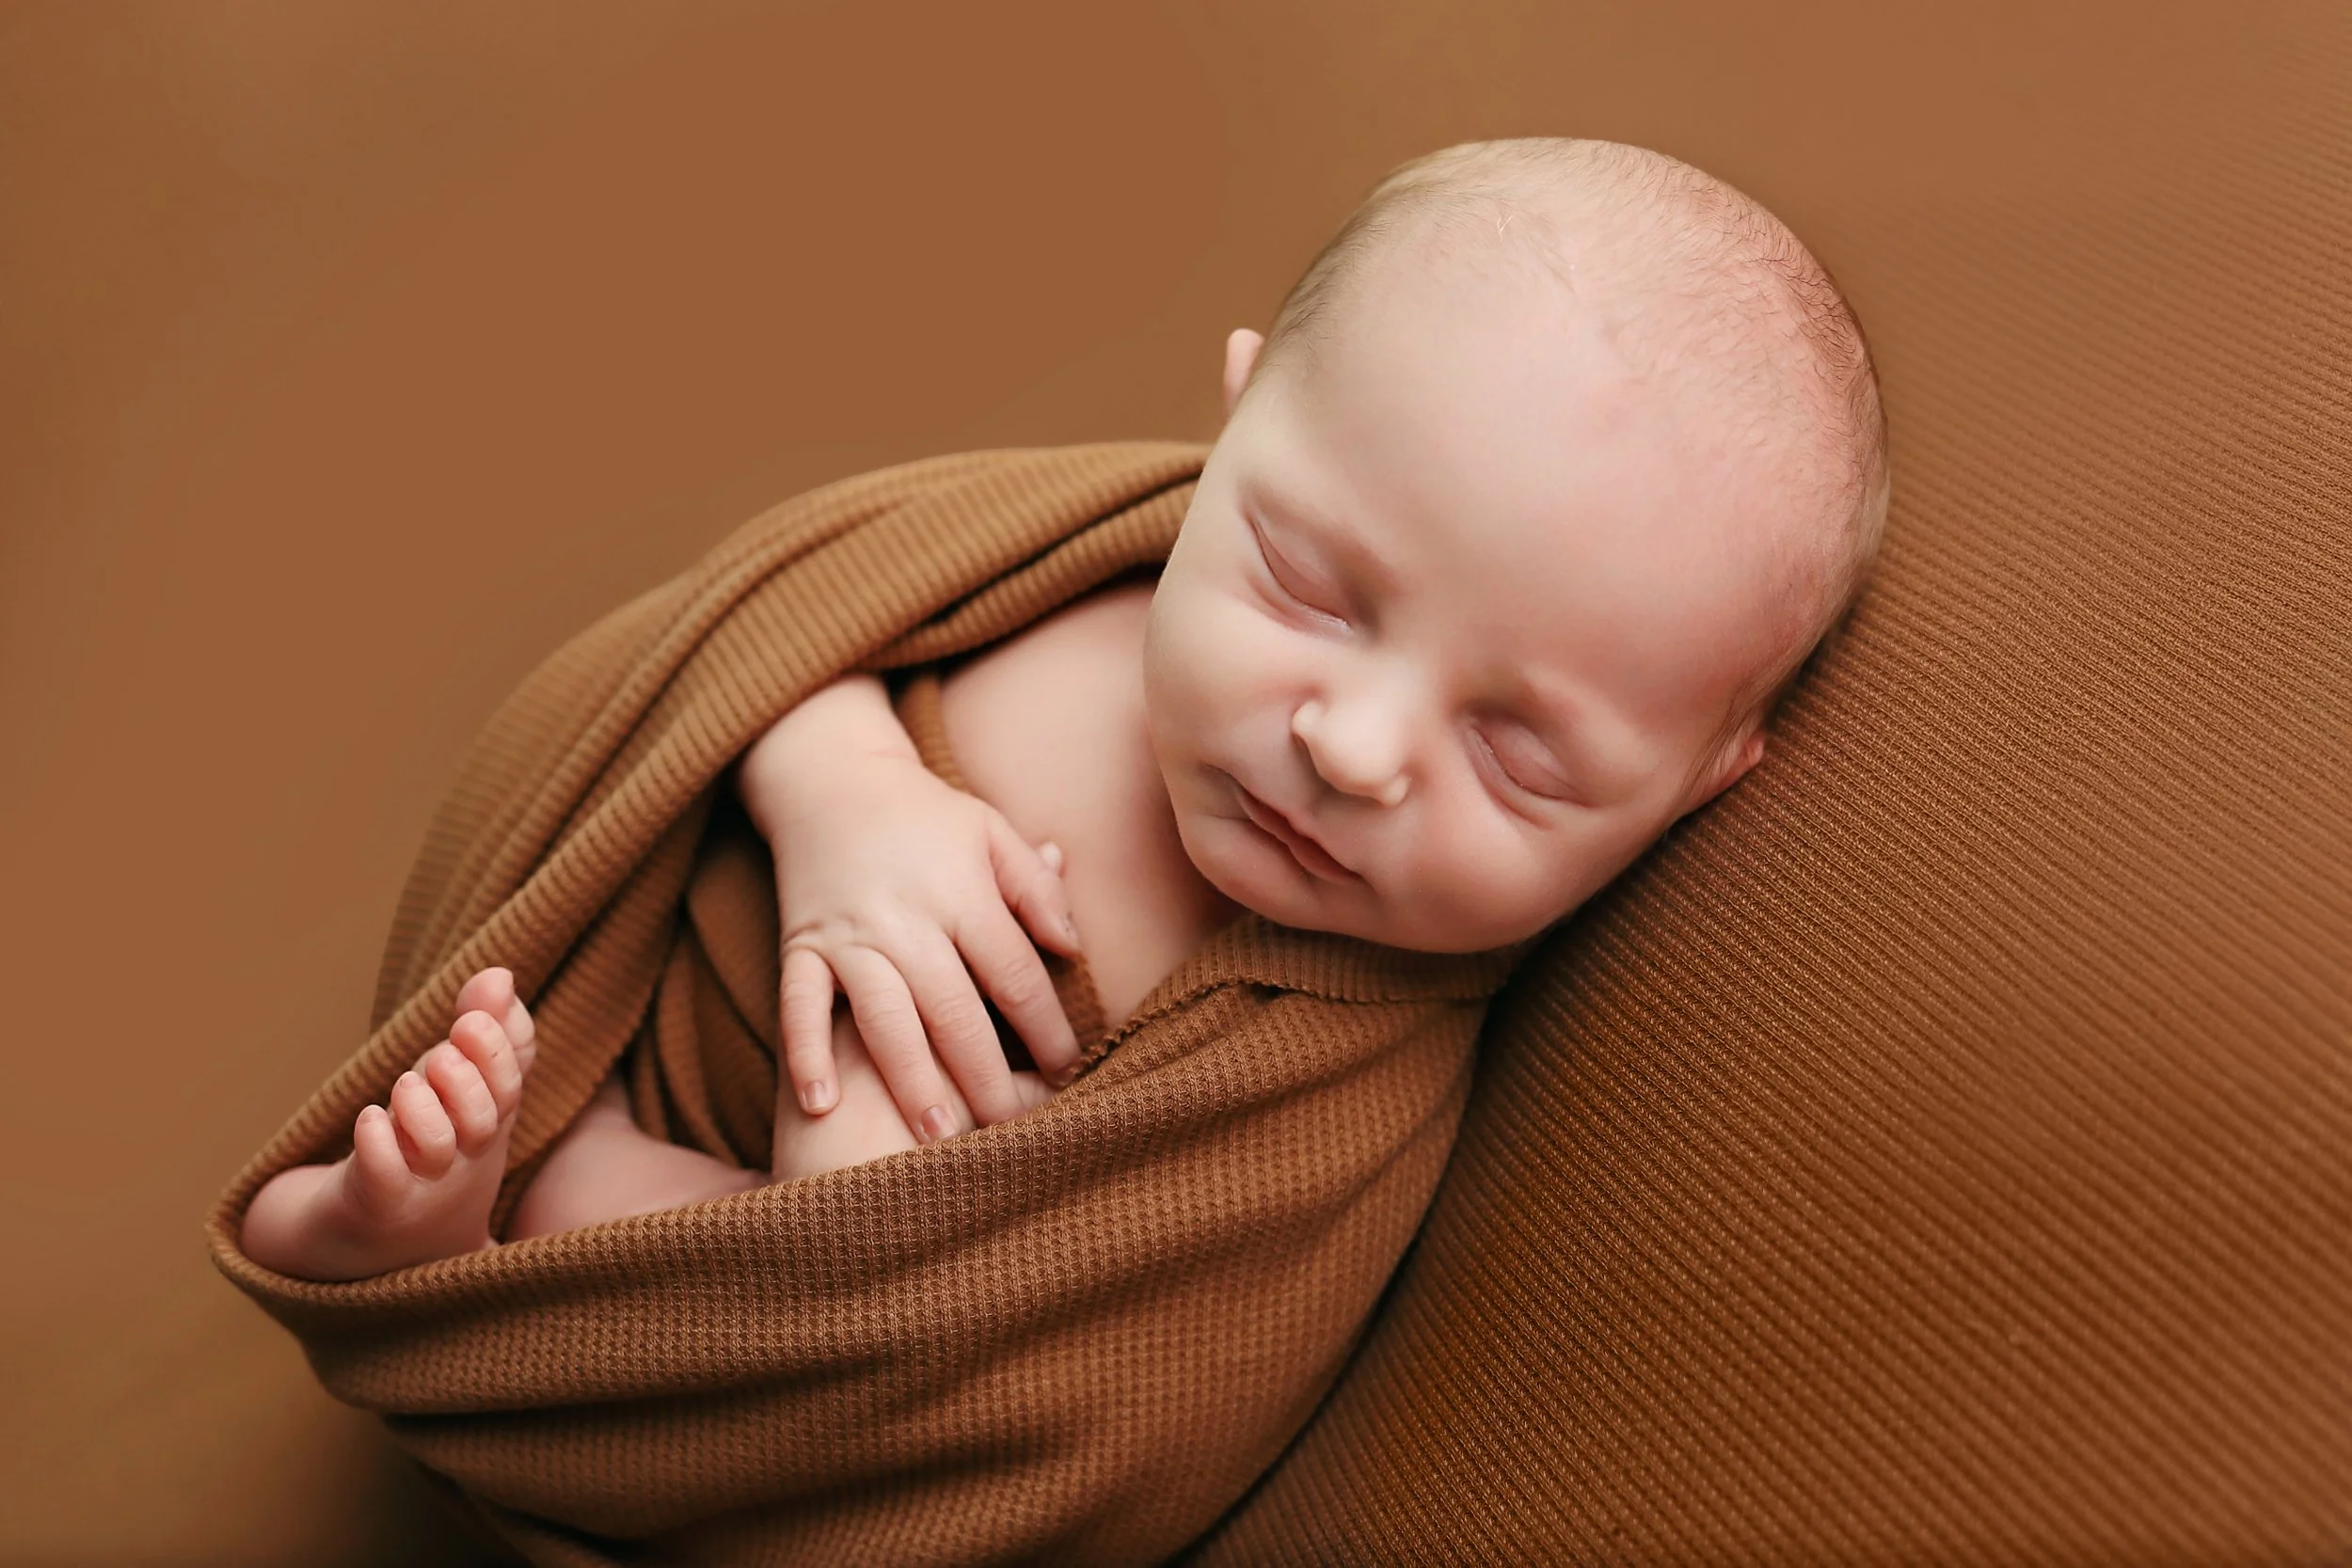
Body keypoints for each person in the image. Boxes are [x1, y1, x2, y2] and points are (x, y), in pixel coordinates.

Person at [239, 136, 1888, 1282]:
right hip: (648, 980)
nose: (1356, 749)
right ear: (1233, 426)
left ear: (1693, 785)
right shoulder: (1089, 565)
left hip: (763, 1248)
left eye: (1517, 755)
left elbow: (1085, 1373)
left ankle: (470, 1243)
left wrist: (933, 1203)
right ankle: (453, 1199)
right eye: (1312, 588)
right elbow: (772, 614)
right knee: (505, 1062)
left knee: (733, 1235)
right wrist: (845, 793)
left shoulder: (1318, 1067)